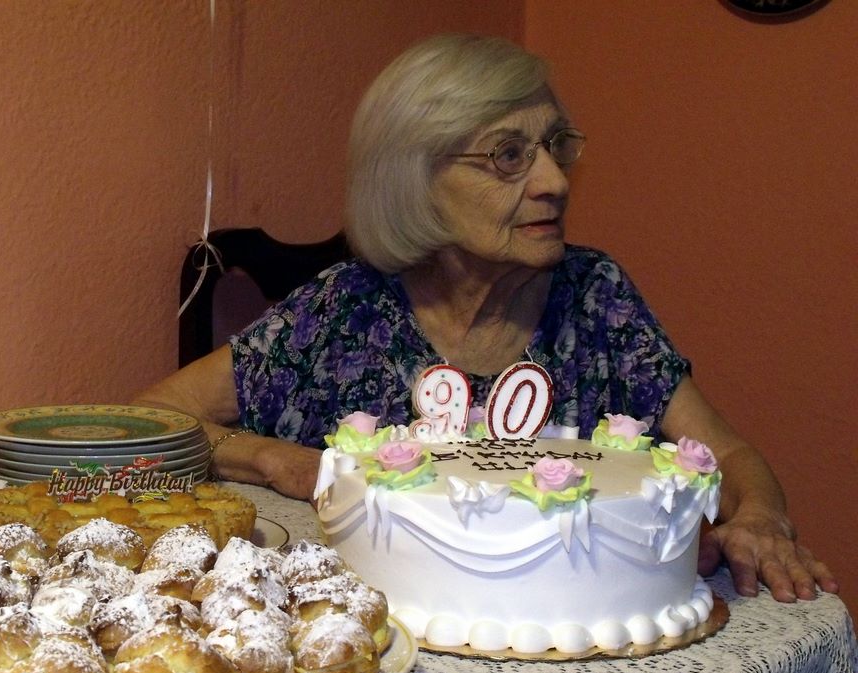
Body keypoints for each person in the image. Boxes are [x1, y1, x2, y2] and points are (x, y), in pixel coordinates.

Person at [136, 34, 837, 604]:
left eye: (555, 147)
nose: (556, 182)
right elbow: (146, 420)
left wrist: (760, 521)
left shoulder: (593, 297)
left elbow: (732, 456)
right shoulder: (343, 310)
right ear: (416, 180)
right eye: (509, 155)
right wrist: (271, 457)